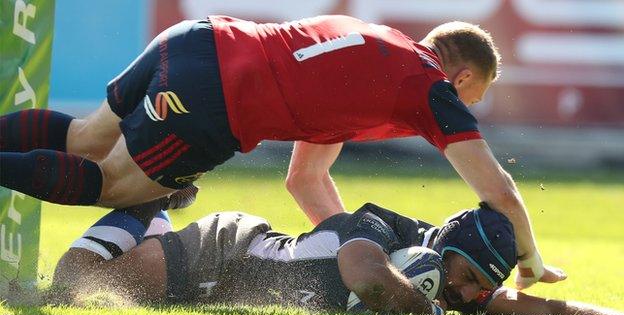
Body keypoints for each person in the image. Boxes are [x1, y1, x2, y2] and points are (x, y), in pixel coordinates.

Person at [0, 15, 563, 289]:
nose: (467, 107)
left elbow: (306, 181)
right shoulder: (427, 86)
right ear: (461, 77)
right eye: (474, 96)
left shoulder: (375, 55)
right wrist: (530, 260)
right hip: (216, 97)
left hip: (192, 38)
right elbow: (499, 191)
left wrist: (348, 253)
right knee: (115, 184)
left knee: (84, 138)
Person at [51, 201, 623, 315]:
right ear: (444, 252)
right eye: (470, 278)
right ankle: (147, 202)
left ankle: (154, 219)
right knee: (69, 287)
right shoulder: (381, 228)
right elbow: (366, 278)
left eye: (481, 288)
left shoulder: (452, 285)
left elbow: (542, 304)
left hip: (221, 277)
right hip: (223, 250)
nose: (473, 294)